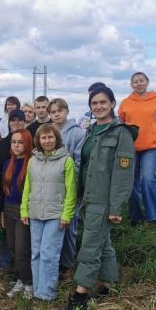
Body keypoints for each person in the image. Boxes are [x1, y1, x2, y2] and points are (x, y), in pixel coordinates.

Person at [67, 86, 137, 310]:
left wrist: (116, 206)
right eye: (94, 103)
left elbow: (123, 174)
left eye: (103, 102)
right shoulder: (91, 131)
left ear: (113, 104)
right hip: (88, 198)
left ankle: (81, 294)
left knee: (89, 246)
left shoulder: (121, 133)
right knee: (102, 242)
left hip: (104, 201)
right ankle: (107, 284)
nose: (98, 107)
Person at [21, 124, 76, 301]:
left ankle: (47, 293)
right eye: (43, 138)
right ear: (38, 140)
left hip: (55, 214)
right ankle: (37, 290)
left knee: (48, 253)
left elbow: (71, 190)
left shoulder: (66, 160)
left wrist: (66, 214)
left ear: (57, 138)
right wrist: (24, 210)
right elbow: (27, 187)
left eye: (50, 137)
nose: (47, 141)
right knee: (36, 252)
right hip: (35, 213)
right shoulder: (33, 160)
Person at [118, 72, 156, 226]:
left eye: (141, 80)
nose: (138, 83)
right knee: (131, 181)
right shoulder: (126, 103)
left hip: (151, 148)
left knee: (147, 179)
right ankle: (136, 216)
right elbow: (121, 123)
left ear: (147, 82)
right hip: (130, 148)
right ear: (131, 84)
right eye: (135, 81)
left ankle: (153, 216)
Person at [48, 98, 86, 275]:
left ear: (67, 111)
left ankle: (67, 264)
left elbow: (79, 162)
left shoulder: (78, 133)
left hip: (69, 188)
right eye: (53, 112)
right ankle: (53, 263)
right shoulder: (47, 132)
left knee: (69, 226)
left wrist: (71, 184)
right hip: (51, 188)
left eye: (60, 110)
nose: (57, 114)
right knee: (53, 226)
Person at [1, 130, 34, 298]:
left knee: (22, 249)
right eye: (13, 142)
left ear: (27, 144)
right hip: (9, 209)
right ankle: (18, 279)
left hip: (24, 211)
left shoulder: (32, 163)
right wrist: (2, 212)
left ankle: (28, 282)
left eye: (20, 142)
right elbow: (4, 191)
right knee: (12, 246)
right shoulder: (8, 164)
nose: (16, 145)